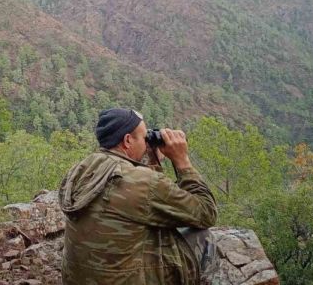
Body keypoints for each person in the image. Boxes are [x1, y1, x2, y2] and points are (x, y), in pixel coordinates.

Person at [59, 107, 217, 284]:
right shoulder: (143, 182)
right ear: (127, 140)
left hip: (80, 279)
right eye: (144, 137)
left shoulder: (83, 168)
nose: (147, 142)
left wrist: (151, 159)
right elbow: (206, 212)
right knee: (203, 237)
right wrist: (183, 162)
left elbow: (142, 200)